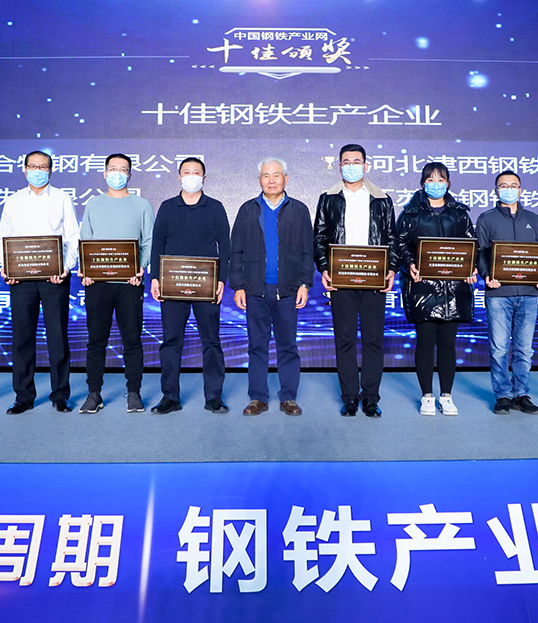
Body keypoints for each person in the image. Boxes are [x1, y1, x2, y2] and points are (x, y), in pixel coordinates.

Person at [313, 143, 397, 418]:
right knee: (345, 339)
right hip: (341, 278)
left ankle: (371, 397)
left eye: (356, 161)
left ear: (366, 165)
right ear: (339, 166)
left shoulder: (381, 199)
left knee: (373, 339)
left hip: (374, 279)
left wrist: (391, 270)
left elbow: (392, 238)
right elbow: (319, 237)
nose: (351, 166)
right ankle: (349, 397)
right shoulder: (328, 198)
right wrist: (324, 268)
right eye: (346, 162)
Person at [229, 157, 313, 417]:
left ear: (286, 179)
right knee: (257, 346)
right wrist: (238, 286)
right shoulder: (247, 210)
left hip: (288, 290)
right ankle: (258, 398)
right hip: (255, 290)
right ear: (259, 180)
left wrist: (305, 284)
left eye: (277, 175)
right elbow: (236, 251)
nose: (271, 180)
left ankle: (288, 397)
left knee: (288, 346)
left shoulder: (299, 210)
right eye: (266, 175)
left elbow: (307, 251)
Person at [0, 150, 79, 414]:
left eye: (43, 166)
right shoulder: (13, 201)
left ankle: (60, 395)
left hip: (55, 278)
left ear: (50, 170)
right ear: (24, 170)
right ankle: (23, 396)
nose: (37, 171)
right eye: (32, 166)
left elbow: (72, 237)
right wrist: (7, 267)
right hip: (21, 280)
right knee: (22, 338)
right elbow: (3, 238)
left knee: (58, 337)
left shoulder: (62, 198)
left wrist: (65, 267)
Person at [149, 157, 230, 415]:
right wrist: (154, 277)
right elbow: (157, 243)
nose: (191, 176)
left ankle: (214, 397)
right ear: (179, 177)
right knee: (171, 341)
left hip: (206, 286)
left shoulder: (215, 207)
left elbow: (225, 246)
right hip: (172, 285)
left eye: (196, 172)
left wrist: (221, 280)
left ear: (204, 178)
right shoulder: (167, 207)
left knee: (211, 341)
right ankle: (170, 397)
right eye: (187, 172)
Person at [394, 162, 476, 417]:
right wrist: (410, 264)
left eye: (441, 179)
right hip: (423, 287)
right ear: (423, 183)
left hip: (454, 288)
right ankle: (427, 395)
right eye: (430, 179)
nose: (436, 184)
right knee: (425, 343)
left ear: (448, 183)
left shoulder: (460, 213)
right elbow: (400, 244)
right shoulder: (411, 213)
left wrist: (471, 267)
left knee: (448, 344)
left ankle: (447, 396)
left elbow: (471, 245)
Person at [77, 153, 154, 414]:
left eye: (123, 169)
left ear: (130, 174)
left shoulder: (142, 205)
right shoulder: (94, 204)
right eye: (113, 169)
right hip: (97, 284)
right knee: (96, 341)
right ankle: (94, 393)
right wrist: (86, 270)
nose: (117, 174)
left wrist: (140, 267)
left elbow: (148, 242)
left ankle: (134, 392)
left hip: (130, 283)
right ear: (104, 173)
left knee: (132, 339)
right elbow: (86, 241)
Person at [476, 170, 538, 415]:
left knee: (524, 349)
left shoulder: (532, 218)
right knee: (499, 348)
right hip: (498, 293)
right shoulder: (486, 218)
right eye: (503, 185)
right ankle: (502, 395)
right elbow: (480, 252)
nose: (508, 189)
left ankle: (521, 394)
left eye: (513, 185)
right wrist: (487, 276)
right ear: (495, 190)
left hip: (528, 293)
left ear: (521, 189)